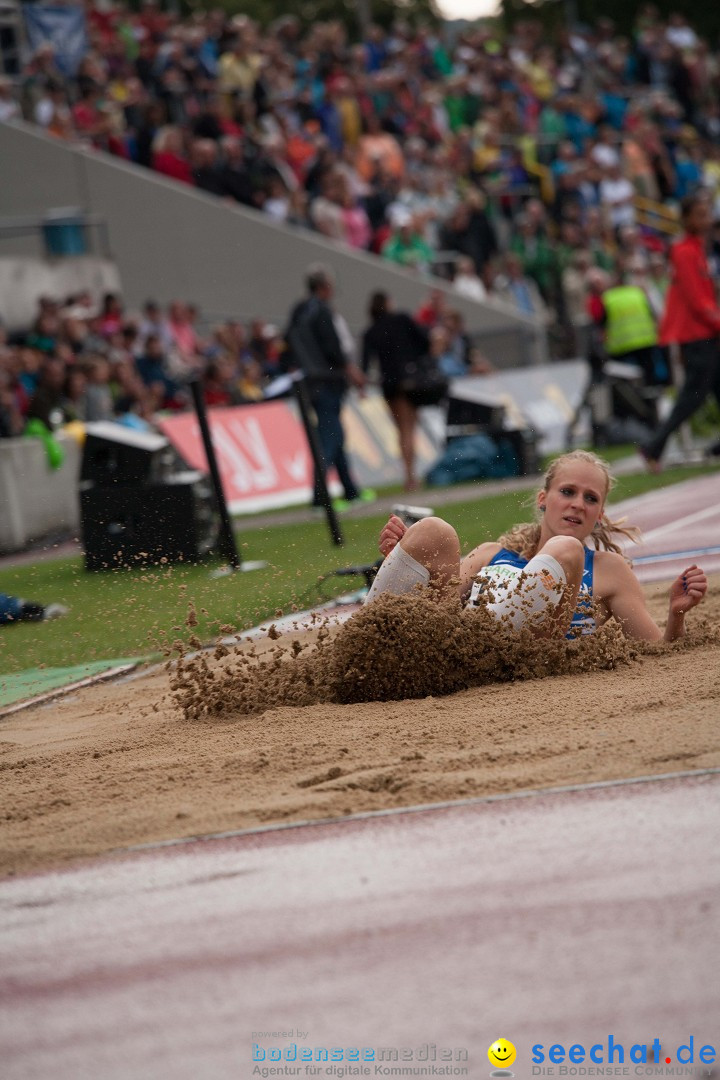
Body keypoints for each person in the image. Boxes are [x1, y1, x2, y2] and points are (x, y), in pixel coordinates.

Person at [366, 450, 707, 643]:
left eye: (590, 498)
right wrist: (402, 558)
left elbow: (656, 649)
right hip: (453, 645)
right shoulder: (490, 554)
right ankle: (365, 643)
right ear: (544, 499)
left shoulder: (610, 570)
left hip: (523, 657)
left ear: (599, 515)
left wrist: (676, 615)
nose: (577, 504)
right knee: (432, 530)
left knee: (566, 550)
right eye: (568, 492)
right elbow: (435, 600)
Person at [641, 191, 720, 471]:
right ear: (686, 219)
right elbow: (698, 300)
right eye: (701, 214)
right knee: (692, 397)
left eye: (707, 213)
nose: (707, 219)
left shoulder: (698, 248)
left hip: (705, 332)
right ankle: (654, 446)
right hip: (696, 334)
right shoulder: (685, 251)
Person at [284, 263, 370, 510]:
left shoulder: (299, 310)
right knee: (331, 437)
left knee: (333, 435)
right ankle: (320, 498)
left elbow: (288, 343)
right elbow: (333, 349)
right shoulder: (321, 311)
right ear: (324, 286)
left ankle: (350, 491)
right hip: (328, 381)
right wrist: (351, 371)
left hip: (309, 383)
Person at [361, 291, 430, 492]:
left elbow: (365, 363)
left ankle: (409, 475)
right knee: (409, 429)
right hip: (409, 382)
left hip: (389, 386)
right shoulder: (402, 319)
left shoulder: (371, 331)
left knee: (402, 430)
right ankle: (411, 477)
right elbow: (423, 342)